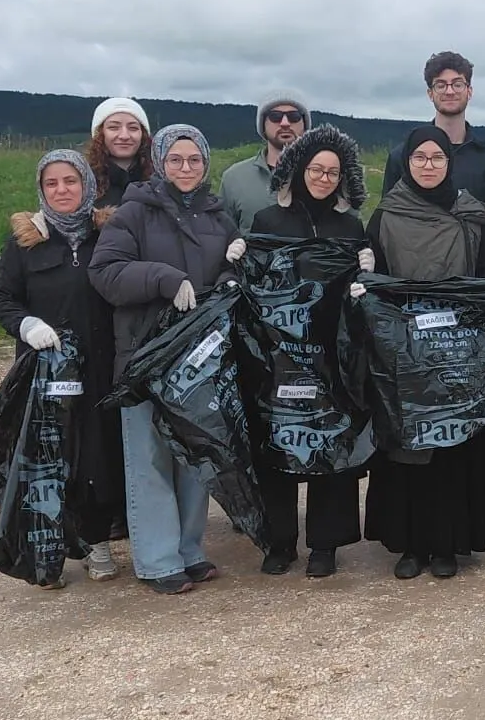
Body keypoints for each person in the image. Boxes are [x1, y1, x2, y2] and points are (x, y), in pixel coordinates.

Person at [89, 124, 245, 594]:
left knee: (195, 456)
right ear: (158, 162)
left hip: (198, 362)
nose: (185, 168)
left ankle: (190, 550)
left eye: (194, 160)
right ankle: (158, 560)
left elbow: (225, 274)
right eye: (175, 159)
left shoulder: (217, 217)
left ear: (205, 164)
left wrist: (236, 268)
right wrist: (161, 277)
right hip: (145, 358)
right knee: (151, 458)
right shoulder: (134, 213)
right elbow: (105, 272)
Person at [362, 125, 485, 579]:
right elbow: (376, 281)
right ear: (406, 163)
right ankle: (410, 544)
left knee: (453, 442)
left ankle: (449, 542)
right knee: (408, 444)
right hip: (403, 350)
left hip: (456, 346)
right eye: (420, 157)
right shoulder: (385, 216)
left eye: (437, 158)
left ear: (449, 162)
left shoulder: (472, 215)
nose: (428, 165)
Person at [0, 150, 128, 586]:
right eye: (52, 183)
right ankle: (43, 554)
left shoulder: (108, 233)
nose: (62, 190)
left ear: (88, 184)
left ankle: (95, 541)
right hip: (45, 371)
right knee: (46, 459)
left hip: (101, 366)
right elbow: (2, 299)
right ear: (41, 189)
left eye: (71, 181)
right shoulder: (26, 241)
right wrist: (26, 325)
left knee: (99, 455)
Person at [249, 124, 373, 578]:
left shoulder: (349, 225)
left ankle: (326, 544)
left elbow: (359, 292)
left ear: (343, 179)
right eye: (316, 169)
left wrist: (365, 270)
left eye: (333, 172)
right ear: (298, 169)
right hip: (281, 351)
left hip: (332, 352)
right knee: (278, 437)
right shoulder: (268, 220)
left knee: (331, 436)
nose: (323, 178)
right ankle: (279, 541)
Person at [380, 51, 485, 210]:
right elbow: (386, 221)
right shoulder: (403, 157)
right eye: (441, 85)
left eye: (457, 84)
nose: (449, 91)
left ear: (470, 91)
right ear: (430, 94)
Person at [219, 89, 310, 228]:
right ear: (263, 124)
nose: (285, 123)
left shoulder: (325, 177)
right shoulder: (234, 178)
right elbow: (222, 235)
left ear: (304, 124)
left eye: (294, 116)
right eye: (275, 116)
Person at [86, 97, 153, 210]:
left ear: (143, 134)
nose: (124, 136)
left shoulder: (161, 182)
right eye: (113, 127)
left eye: (133, 128)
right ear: (100, 134)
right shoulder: (84, 184)